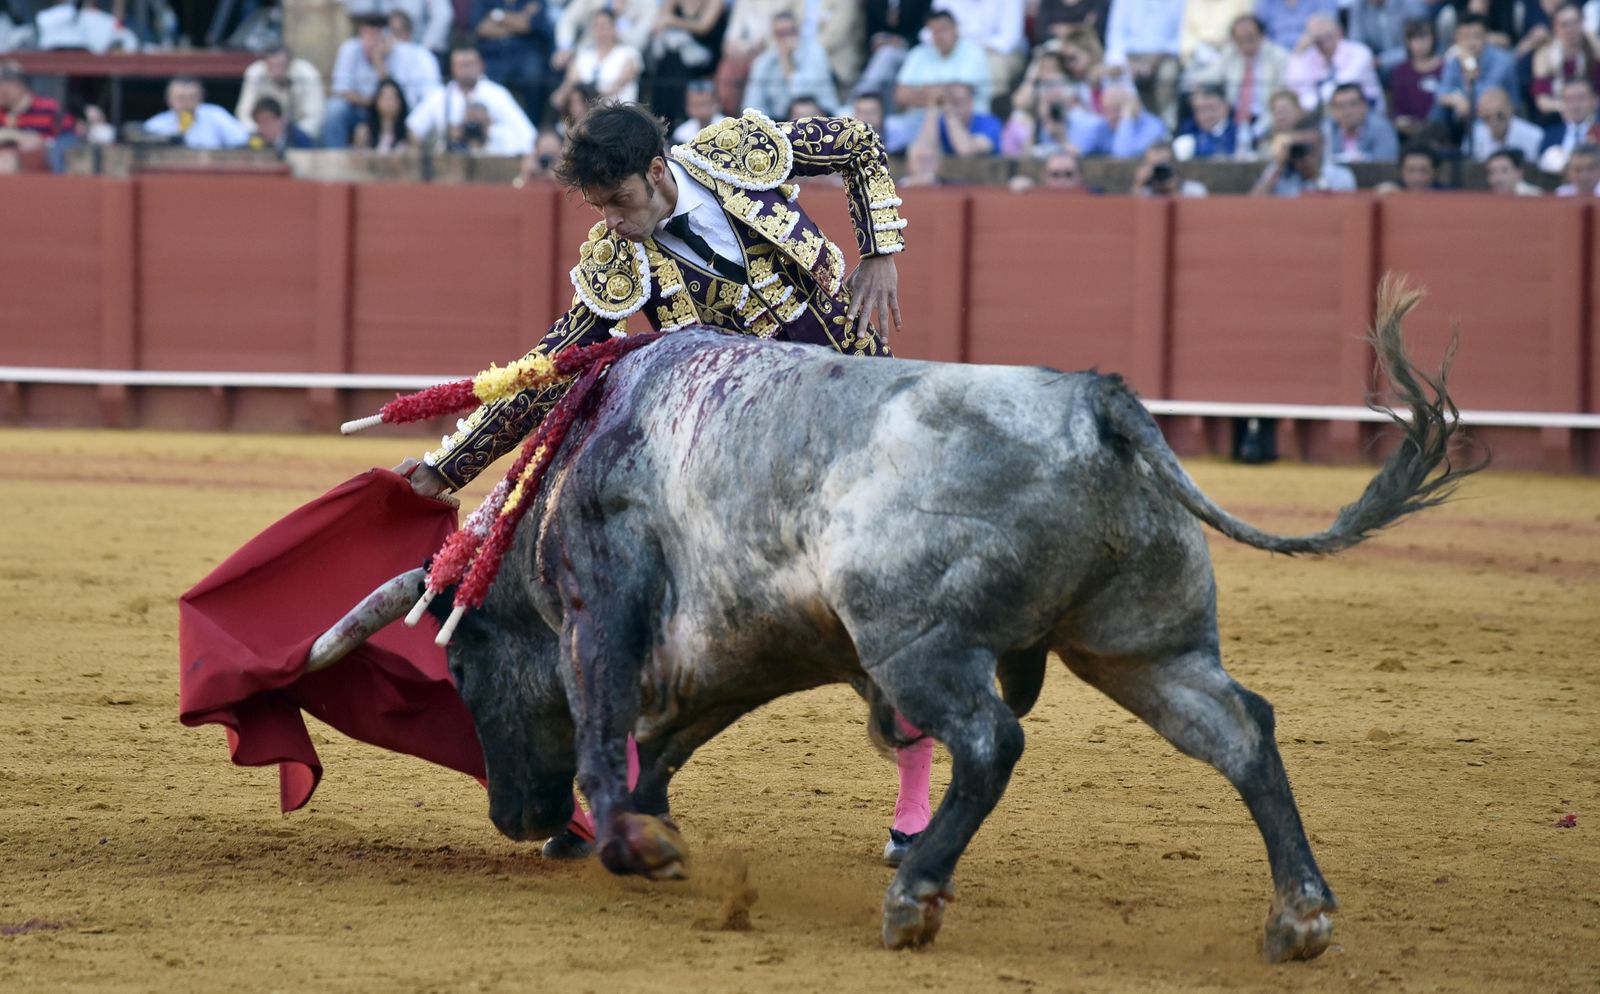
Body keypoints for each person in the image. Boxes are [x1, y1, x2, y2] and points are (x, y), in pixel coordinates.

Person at [396, 101, 919, 863]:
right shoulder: (616, 261)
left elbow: (857, 145)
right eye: (599, 207)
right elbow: (550, 372)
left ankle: (913, 809)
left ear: (656, 170)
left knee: (899, 596)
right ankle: (627, 800)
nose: (613, 220)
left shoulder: (740, 155)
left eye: (620, 201)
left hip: (858, 400)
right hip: (748, 448)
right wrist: (451, 465)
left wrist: (880, 250)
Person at [325, 15, 441, 147]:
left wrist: (378, 62)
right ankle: (335, 154)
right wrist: (372, 101)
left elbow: (391, 92)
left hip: (383, 112)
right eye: (367, 35)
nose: (371, 41)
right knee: (335, 108)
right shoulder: (349, 49)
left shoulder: (394, 53)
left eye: (375, 36)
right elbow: (341, 90)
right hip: (357, 108)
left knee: (391, 106)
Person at [408, 47, 537, 155]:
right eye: (460, 64)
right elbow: (413, 128)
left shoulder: (497, 94)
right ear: (452, 68)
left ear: (481, 65)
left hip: (491, 161)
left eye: (469, 64)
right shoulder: (439, 96)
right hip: (449, 165)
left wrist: (489, 130)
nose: (465, 69)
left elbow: (527, 134)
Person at [1183, 14, 1289, 143]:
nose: (1246, 44)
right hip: (1233, 119)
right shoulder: (1231, 53)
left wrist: (1259, 129)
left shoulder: (1278, 57)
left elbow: (1281, 97)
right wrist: (1194, 85)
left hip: (1266, 118)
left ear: (1261, 35)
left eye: (1250, 38)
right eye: (1241, 39)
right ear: (1234, 40)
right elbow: (1208, 76)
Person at [1099, 0, 1184, 122]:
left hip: (1165, 55)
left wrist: (1158, 57)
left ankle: (1166, 127)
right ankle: (1129, 127)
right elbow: (1115, 38)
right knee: (1111, 74)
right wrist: (1124, 65)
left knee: (1168, 76)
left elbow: (1181, 38)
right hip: (1130, 55)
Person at [745, 10, 839, 120]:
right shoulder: (764, 61)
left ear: (799, 31)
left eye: (791, 32)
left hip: (818, 118)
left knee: (802, 110)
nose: (786, 38)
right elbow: (752, 103)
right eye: (781, 34)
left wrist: (787, 61)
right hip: (777, 122)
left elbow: (802, 96)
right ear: (773, 35)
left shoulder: (816, 53)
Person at [646, 0, 728, 125]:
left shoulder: (715, 2)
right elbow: (658, 23)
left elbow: (703, 26)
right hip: (675, 62)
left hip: (704, 62)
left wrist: (673, 21)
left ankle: (675, 118)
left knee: (675, 64)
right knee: (670, 60)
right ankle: (665, 117)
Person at [1431, 14, 1520, 126]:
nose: (1472, 43)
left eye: (1477, 36)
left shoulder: (1503, 61)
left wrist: (1469, 68)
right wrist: (1457, 100)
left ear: (1486, 37)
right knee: (1439, 110)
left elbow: (1484, 100)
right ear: (1457, 38)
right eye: (1466, 37)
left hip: (1499, 118)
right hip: (1465, 114)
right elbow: (1441, 93)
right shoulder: (1455, 58)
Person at [471, 0, 554, 117]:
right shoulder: (484, 2)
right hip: (493, 56)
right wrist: (518, 21)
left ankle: (532, 124)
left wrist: (497, 16)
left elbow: (529, 25)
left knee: (533, 75)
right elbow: (481, 29)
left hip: (524, 54)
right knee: (485, 80)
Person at [1284, 14, 1383, 112]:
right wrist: (1298, 53)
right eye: (1316, 37)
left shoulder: (1359, 52)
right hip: (1326, 114)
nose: (1322, 39)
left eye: (1326, 34)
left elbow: (1339, 87)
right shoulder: (1310, 57)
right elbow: (1295, 87)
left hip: (1366, 113)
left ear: (1339, 31)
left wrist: (1308, 103)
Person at [550, 8, 643, 111]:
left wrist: (591, 99)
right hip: (588, 118)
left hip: (619, 116)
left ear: (614, 28)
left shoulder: (629, 54)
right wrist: (560, 96)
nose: (600, 31)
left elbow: (619, 84)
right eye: (596, 26)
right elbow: (569, 85)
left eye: (604, 26)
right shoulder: (583, 56)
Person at [236, 45, 326, 139]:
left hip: (301, 136)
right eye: (271, 65)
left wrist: (288, 135)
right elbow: (244, 113)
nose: (276, 71)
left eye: (280, 65)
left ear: (290, 63)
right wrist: (257, 131)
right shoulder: (255, 74)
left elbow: (315, 117)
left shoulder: (307, 74)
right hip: (262, 135)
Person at [1251, 115, 1357, 194]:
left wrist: (1317, 177)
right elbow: (1254, 205)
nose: (1304, 152)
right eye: (1299, 147)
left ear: (1321, 146)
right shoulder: (1280, 174)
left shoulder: (1341, 176)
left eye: (1309, 147)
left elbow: (1341, 212)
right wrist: (1278, 165)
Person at [1531, 2, 1600, 119]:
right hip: (1558, 116)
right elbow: (1542, 101)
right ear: (1555, 27)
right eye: (1564, 24)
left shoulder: (1594, 47)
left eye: (1575, 23)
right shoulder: (1544, 55)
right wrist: (1570, 108)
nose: (1570, 29)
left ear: (1583, 23)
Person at [143, 77, 250, 149]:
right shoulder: (155, 125)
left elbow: (242, 140)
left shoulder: (215, 114)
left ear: (201, 98)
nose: (186, 103)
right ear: (169, 99)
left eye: (191, 98)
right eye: (180, 98)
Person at [0, 60, 75, 155]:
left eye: (3, 85)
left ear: (19, 85)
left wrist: (44, 143)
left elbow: (72, 141)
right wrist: (14, 135)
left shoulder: (50, 109)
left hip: (43, 167)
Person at [910, 81, 1000, 157]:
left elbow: (966, 151)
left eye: (958, 102)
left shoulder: (989, 122)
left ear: (970, 103)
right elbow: (924, 152)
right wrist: (933, 105)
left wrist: (950, 114)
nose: (952, 107)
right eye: (949, 101)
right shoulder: (941, 123)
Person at [1389, 17, 1442, 139]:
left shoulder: (1445, 68)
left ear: (1434, 39)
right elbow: (1398, 107)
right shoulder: (1401, 71)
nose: (1420, 44)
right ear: (1408, 42)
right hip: (1409, 130)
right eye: (1415, 39)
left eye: (1424, 38)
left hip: (1439, 130)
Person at [1323, 81, 1401, 162]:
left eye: (1353, 104)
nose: (1347, 112)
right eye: (1340, 106)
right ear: (1333, 111)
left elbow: (1385, 164)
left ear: (1364, 105)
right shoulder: (1326, 129)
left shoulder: (1382, 128)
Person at [1347, 0, 1431, 74]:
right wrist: (1368, 59)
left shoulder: (1410, 3)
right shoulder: (1359, 5)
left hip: (1410, 60)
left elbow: (1421, 42)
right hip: (1374, 66)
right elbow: (1356, 44)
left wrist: (1382, 61)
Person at [1538, 76, 1600, 171]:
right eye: (1569, 99)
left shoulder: (1598, 130)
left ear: (1595, 100)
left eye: (1581, 98)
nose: (1575, 105)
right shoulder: (1550, 135)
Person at [1468, 85, 1545, 160]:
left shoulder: (1534, 136)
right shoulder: (1474, 138)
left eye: (1500, 115)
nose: (1494, 121)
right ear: (1480, 115)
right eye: (1487, 117)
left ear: (1510, 110)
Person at [1172, 83, 1238, 160]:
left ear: (1226, 107)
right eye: (1200, 110)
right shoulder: (1188, 130)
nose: (1206, 116)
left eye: (1211, 108)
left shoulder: (1238, 132)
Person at [352, 77, 412, 151]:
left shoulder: (409, 134)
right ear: (376, 100)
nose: (389, 102)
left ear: (400, 102)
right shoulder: (363, 132)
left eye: (393, 98)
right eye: (385, 98)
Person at [1133, 139, 1208, 195]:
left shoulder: (1194, 191)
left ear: (1175, 164)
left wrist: (1174, 191)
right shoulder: (1143, 193)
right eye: (1154, 166)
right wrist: (1138, 184)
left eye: (1164, 165)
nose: (1160, 171)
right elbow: (1133, 212)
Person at [247, 97, 317, 151]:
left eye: (267, 121)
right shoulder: (255, 142)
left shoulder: (299, 139)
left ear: (279, 120)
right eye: (259, 123)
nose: (263, 128)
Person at [670, 77, 726, 142]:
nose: (700, 110)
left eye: (704, 104)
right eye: (695, 104)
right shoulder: (681, 134)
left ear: (716, 103)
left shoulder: (727, 129)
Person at [1375, 144, 1440, 192]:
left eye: (1423, 170)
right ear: (1401, 172)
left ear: (1434, 172)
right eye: (1410, 170)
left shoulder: (1447, 194)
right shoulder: (1392, 191)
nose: (1417, 177)